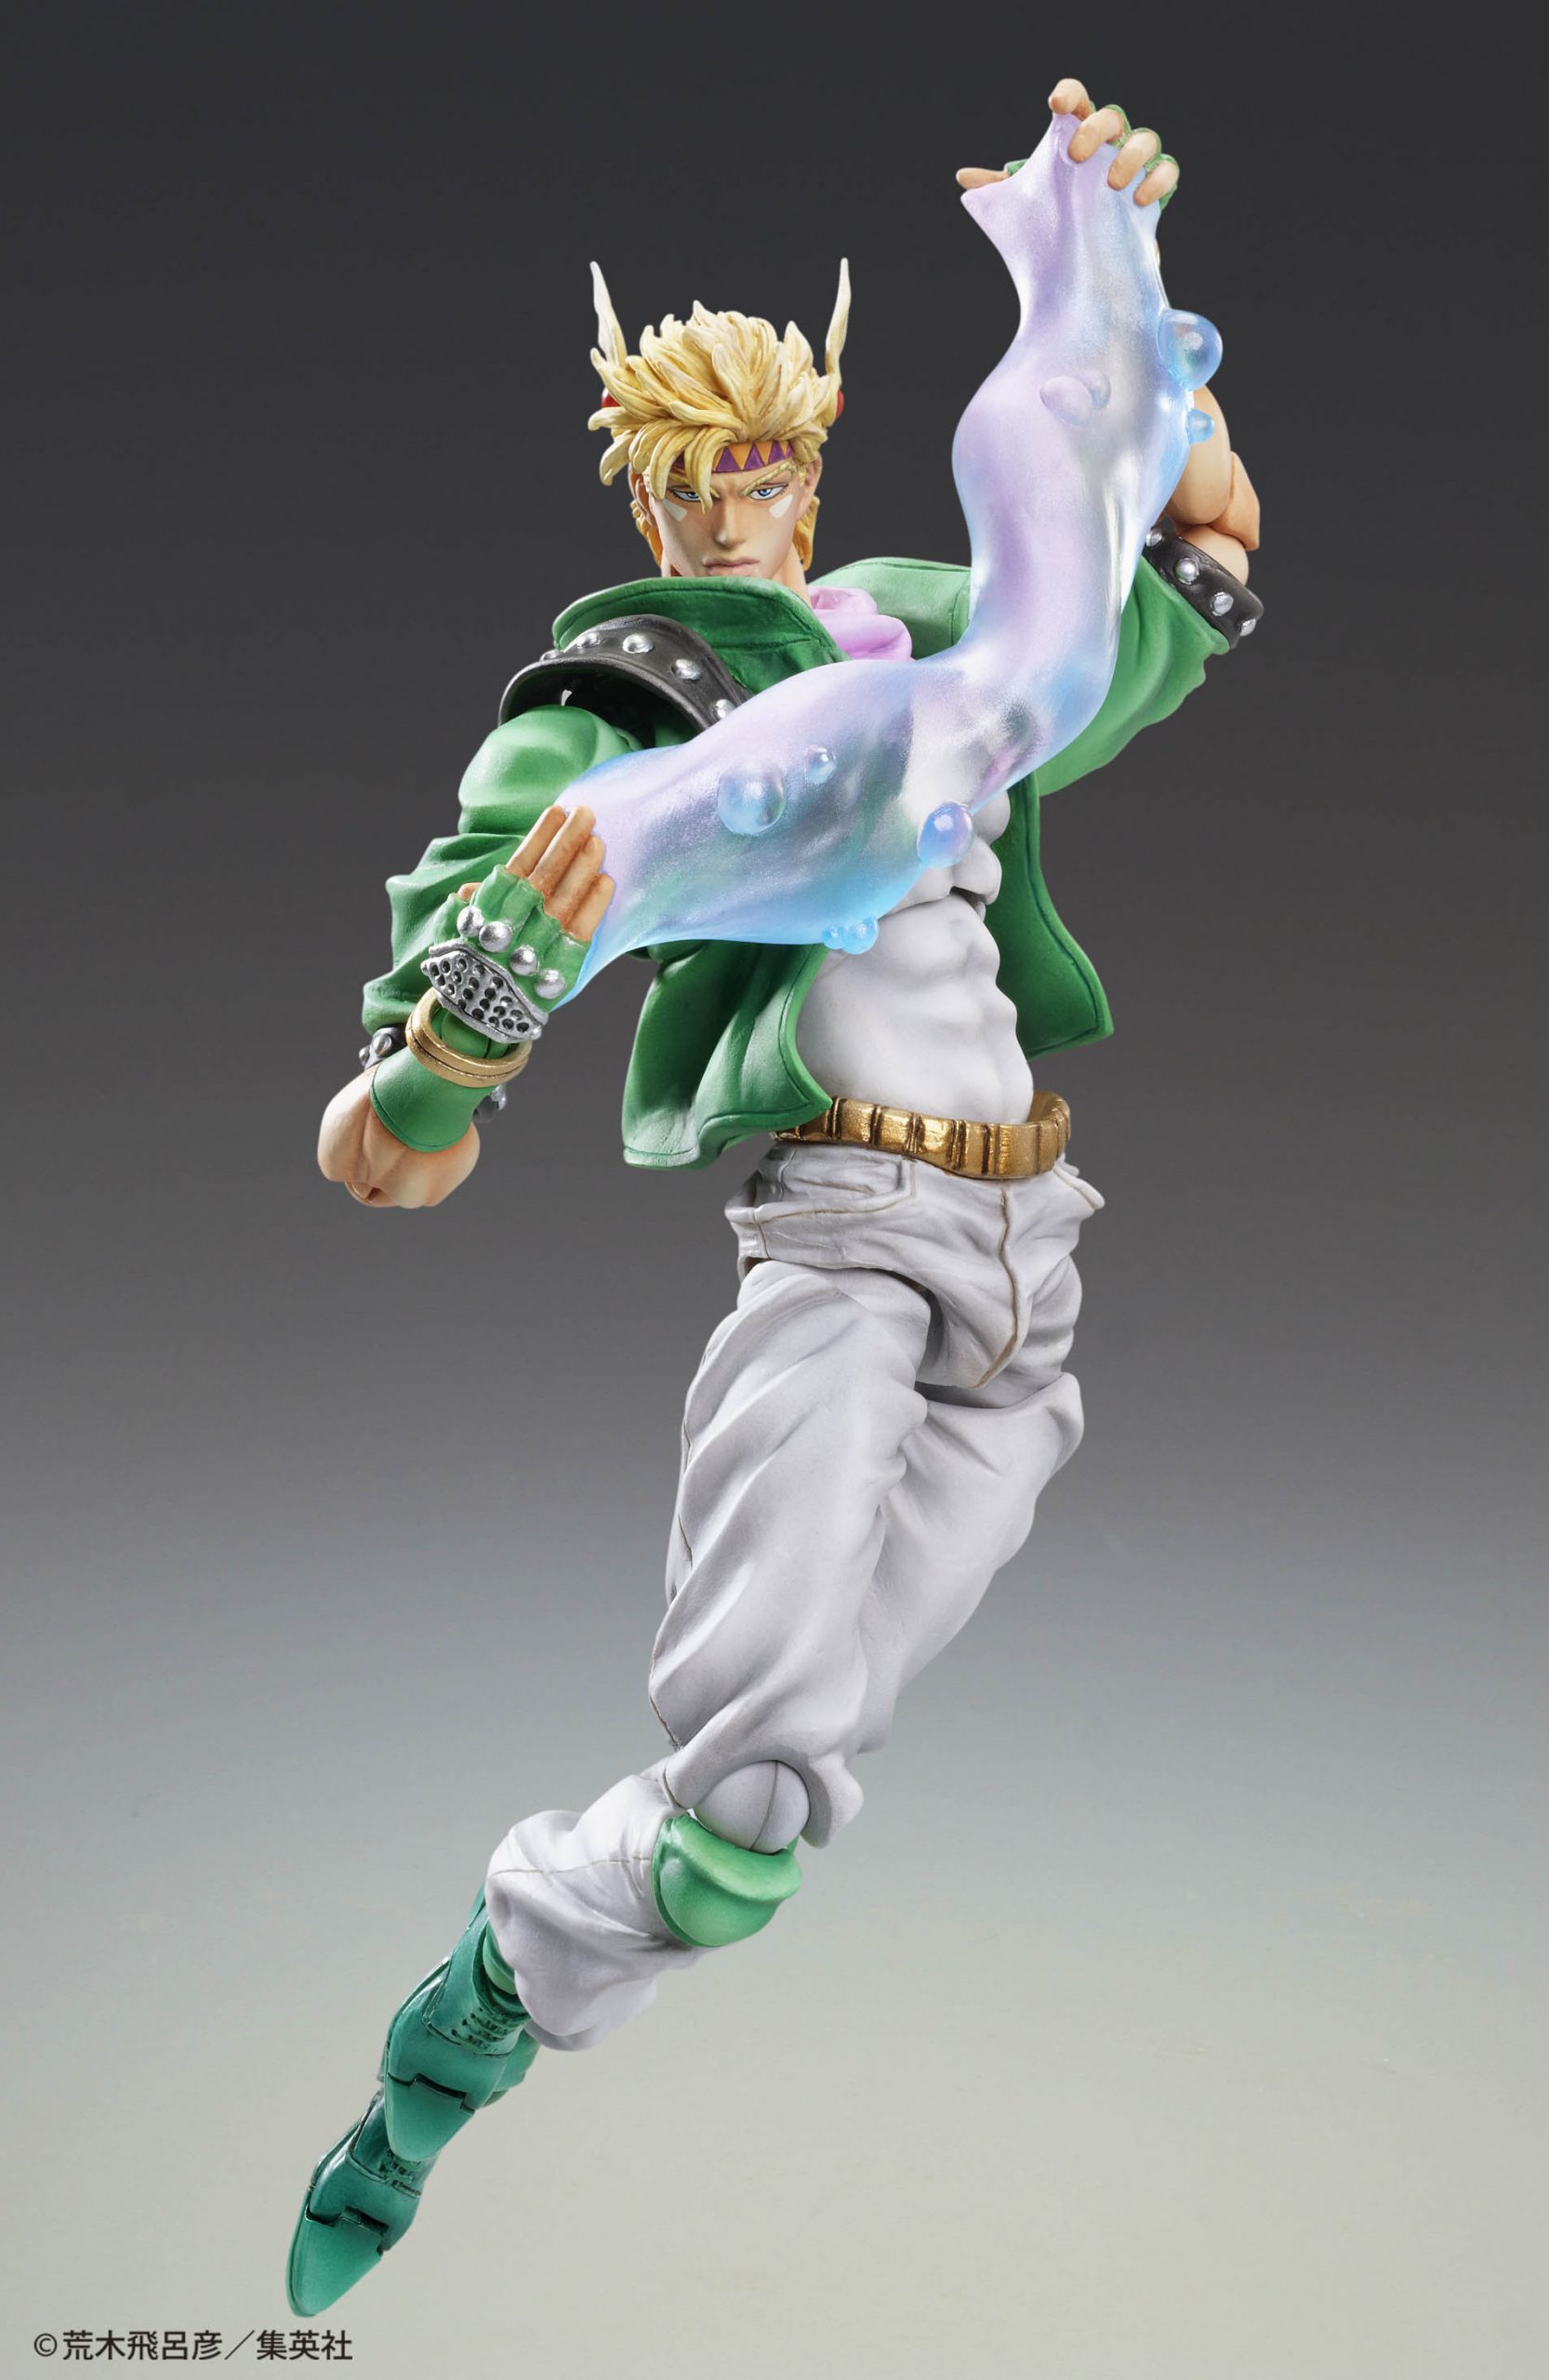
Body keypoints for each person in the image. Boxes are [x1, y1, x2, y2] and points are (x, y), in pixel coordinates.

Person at [289, 76, 1262, 2315]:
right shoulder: (607, 714)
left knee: (775, 1807)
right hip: (845, 1244)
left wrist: (1137, 346)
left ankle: (521, 1964)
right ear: (642, 484)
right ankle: (459, 2039)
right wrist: (464, 1028)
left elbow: (1159, 605)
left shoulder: (919, 635)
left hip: (1029, 1271)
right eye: (709, 469)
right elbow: (387, 1133)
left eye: (777, 461)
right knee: (736, 1824)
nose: (750, 498)